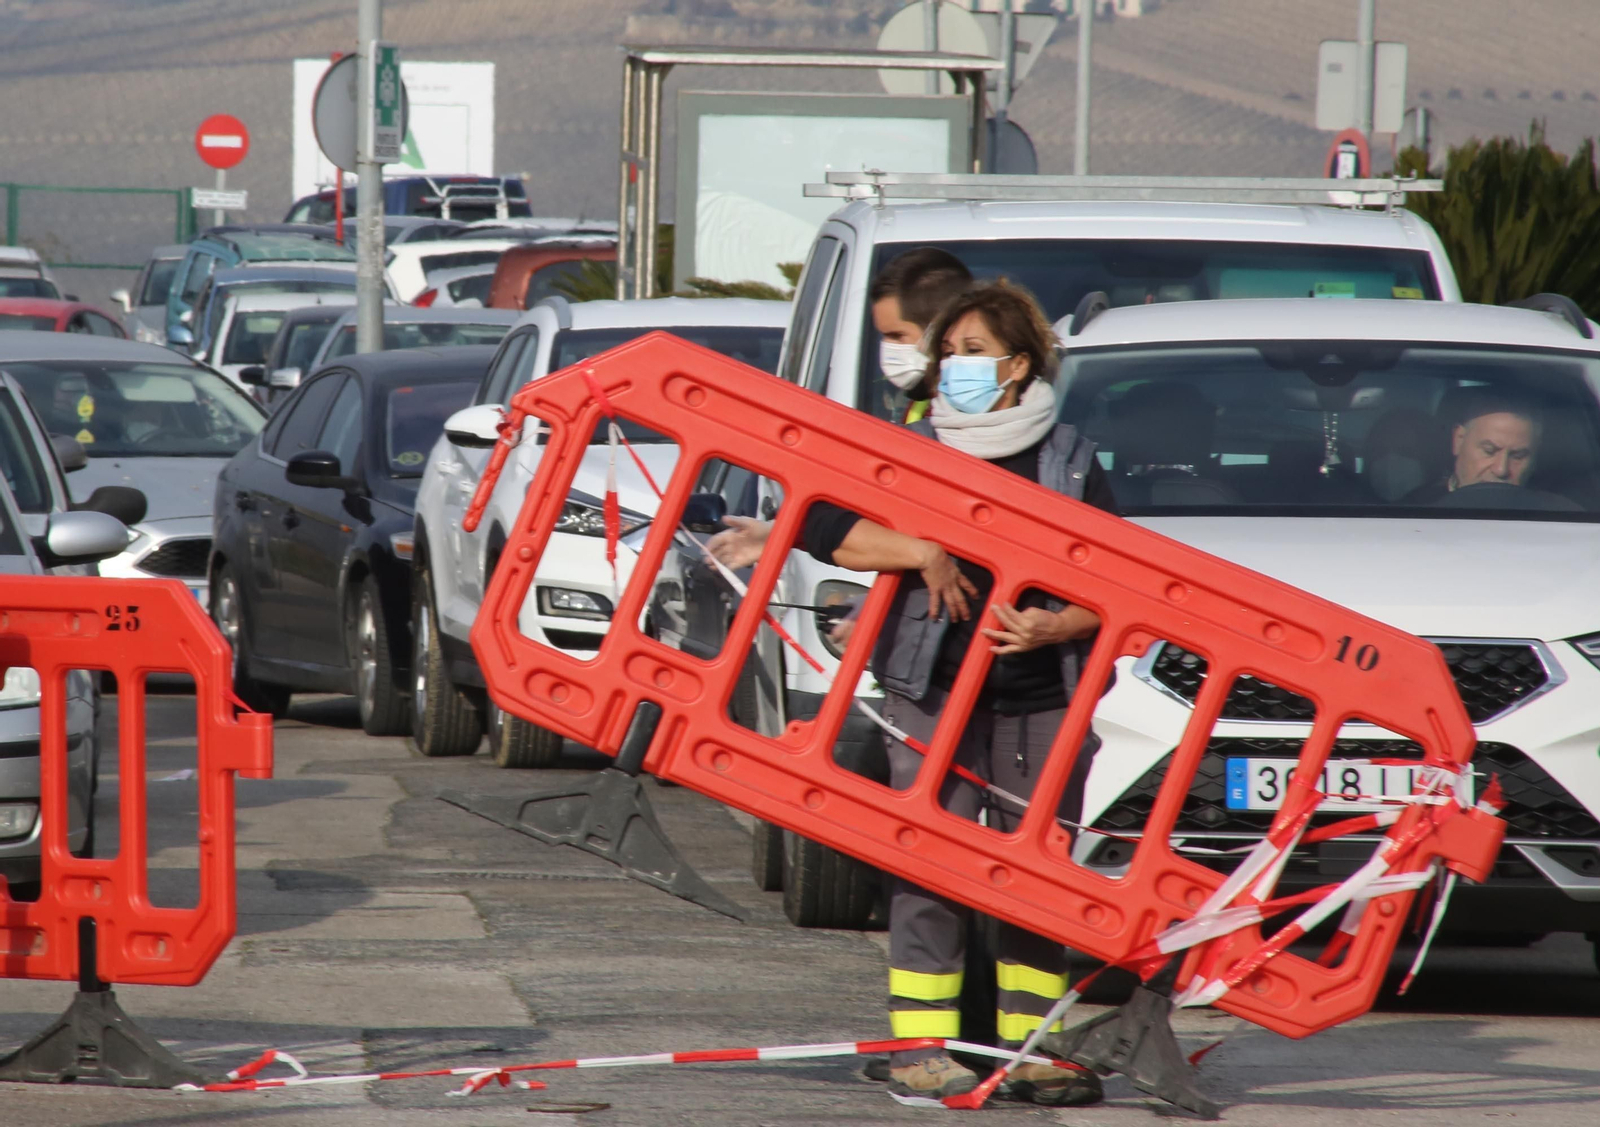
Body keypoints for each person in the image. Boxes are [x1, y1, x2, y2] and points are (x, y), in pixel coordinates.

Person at [708, 280, 1115, 1107]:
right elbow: (828, 526)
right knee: (927, 862)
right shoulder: (915, 444)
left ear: (1020, 364)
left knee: (1037, 872)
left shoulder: (1069, 458)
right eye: (949, 354)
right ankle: (921, 1049)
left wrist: (1055, 628)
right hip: (929, 685)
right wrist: (920, 551)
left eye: (972, 354)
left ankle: (1032, 1049)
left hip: (1040, 691)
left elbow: (1114, 581)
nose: (953, 368)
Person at [869, 247, 973, 422]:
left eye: (896, 335)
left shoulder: (976, 411)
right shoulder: (925, 401)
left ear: (938, 331)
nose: (886, 346)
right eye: (883, 336)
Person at [1405, 391, 1541, 502]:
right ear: (1459, 440)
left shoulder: (1555, 515)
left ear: (1534, 461)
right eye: (1489, 451)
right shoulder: (1412, 511)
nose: (1501, 470)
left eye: (1518, 456)